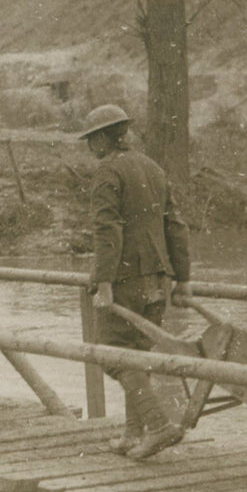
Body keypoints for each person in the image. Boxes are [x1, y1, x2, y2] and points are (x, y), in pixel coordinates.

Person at [81, 104, 191, 459]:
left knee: (113, 355)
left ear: (102, 138)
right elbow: (175, 224)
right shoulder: (153, 168)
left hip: (125, 280)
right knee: (137, 358)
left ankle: (158, 426)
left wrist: (104, 282)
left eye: (90, 140)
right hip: (157, 280)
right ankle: (133, 434)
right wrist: (183, 278)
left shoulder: (107, 172)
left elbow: (107, 229)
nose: (89, 148)